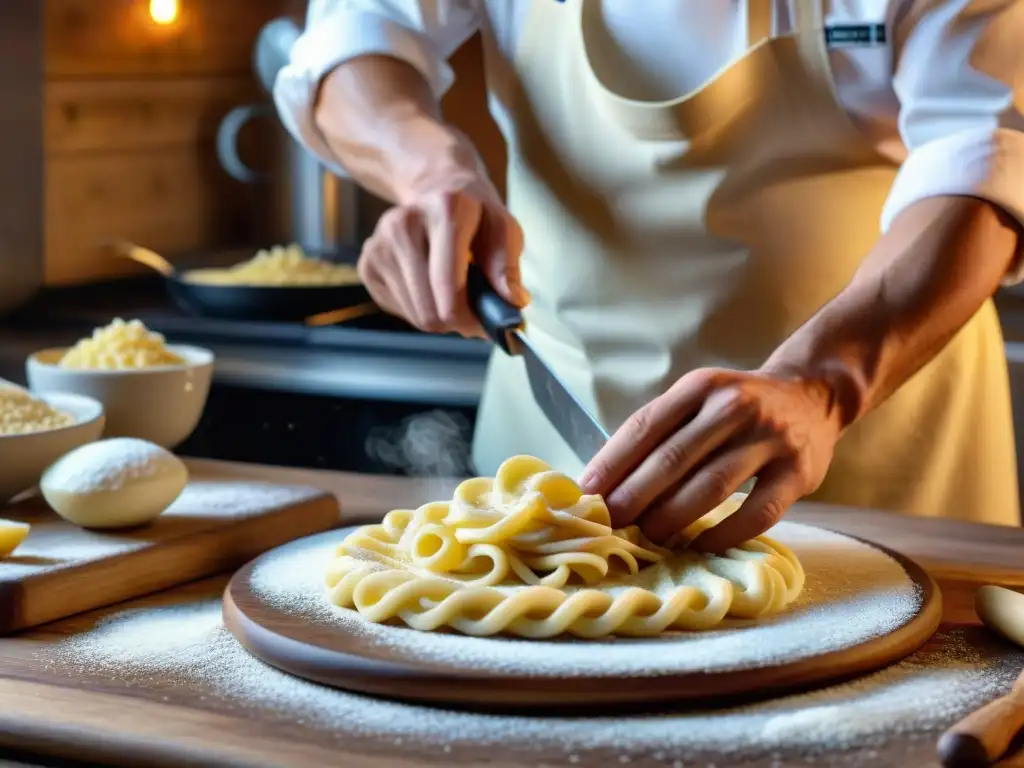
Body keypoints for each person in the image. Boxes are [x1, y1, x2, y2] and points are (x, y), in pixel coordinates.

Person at [275, 0, 1024, 551]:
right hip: (551, 466)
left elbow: (986, 156)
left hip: (880, 457)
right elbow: (354, 38)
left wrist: (823, 386)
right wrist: (428, 172)